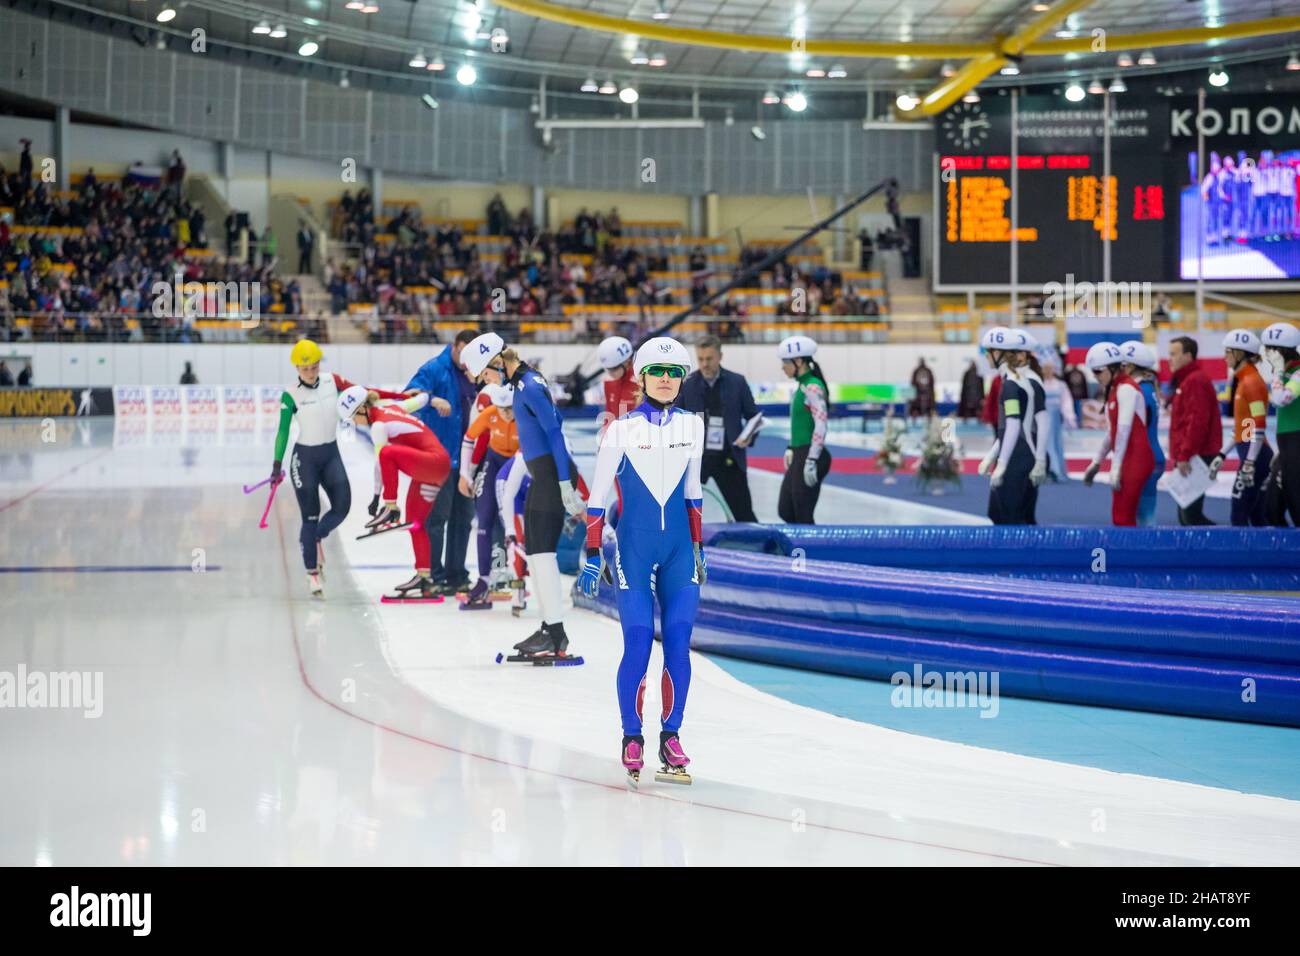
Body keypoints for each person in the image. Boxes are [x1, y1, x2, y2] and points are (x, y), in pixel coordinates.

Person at [578, 337, 704, 786]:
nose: (668, 381)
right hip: (634, 549)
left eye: (675, 374)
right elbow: (597, 498)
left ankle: (671, 736)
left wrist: (698, 546)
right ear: (643, 376)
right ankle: (633, 735)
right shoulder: (620, 430)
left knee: (678, 642)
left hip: (678, 553)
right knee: (637, 643)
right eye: (659, 372)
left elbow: (693, 492)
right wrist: (593, 553)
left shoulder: (694, 426)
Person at [462, 332, 585, 658]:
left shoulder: (530, 385)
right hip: (541, 474)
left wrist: (565, 484)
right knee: (534, 553)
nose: (486, 381)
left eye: (487, 374)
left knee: (544, 554)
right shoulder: (517, 385)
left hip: (551, 476)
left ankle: (556, 634)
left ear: (498, 362)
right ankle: (549, 627)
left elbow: (555, 433)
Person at [270, 340, 414, 596]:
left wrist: (402, 396)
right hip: (305, 460)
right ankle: (312, 574)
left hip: (330, 454)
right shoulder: (290, 394)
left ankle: (316, 538)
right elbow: (282, 431)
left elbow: (367, 393)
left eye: (314, 367)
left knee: (342, 507)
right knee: (310, 517)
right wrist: (276, 465)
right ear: (296, 368)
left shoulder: (332, 381)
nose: (311, 373)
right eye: (305, 370)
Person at [339, 388, 450, 600]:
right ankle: (424, 578)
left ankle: (391, 508)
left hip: (432, 464)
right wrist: (429, 398)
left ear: (363, 408)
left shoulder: (378, 426)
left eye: (353, 417)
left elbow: (382, 463)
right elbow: (423, 398)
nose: (353, 422)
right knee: (415, 524)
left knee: (387, 452)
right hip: (434, 469)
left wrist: (377, 497)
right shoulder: (393, 407)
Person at [405, 329, 478, 594]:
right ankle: (433, 575)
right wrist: (431, 399)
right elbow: (407, 398)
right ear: (455, 347)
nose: (467, 361)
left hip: (466, 463)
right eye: (464, 354)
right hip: (439, 460)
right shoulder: (434, 368)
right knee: (436, 519)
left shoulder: (475, 373)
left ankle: (456, 575)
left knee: (463, 518)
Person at [678, 335, 761, 523]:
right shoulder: (687, 385)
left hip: (729, 457)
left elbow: (753, 416)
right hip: (696, 458)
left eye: (709, 359)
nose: (705, 364)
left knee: (744, 513)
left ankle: (759, 548)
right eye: (700, 359)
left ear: (720, 356)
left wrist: (749, 436)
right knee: (678, 509)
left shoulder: (737, 382)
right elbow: (676, 419)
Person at [457, 383, 520, 609]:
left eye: (509, 408)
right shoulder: (490, 413)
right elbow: (468, 438)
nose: (505, 413)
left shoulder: (526, 415)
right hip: (493, 462)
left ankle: (513, 573)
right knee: (484, 519)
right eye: (501, 408)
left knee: (511, 522)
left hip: (518, 464)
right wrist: (465, 473)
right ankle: (484, 578)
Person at [979, 329, 1048, 524]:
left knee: (1012, 519)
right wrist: (993, 456)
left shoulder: (1014, 384)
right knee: (1004, 515)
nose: (985, 356)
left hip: (1018, 458)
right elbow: (1012, 428)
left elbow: (1016, 425)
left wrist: (1001, 463)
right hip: (1018, 455)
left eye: (988, 351)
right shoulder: (1012, 381)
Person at [1083, 342, 1155, 527]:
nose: (1095, 377)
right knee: (1120, 515)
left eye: (1098, 371)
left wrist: (1115, 467)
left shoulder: (1127, 389)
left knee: (1124, 516)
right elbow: (1112, 432)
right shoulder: (1114, 390)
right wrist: (1097, 461)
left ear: (1113, 368)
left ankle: (1133, 555)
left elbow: (1124, 429)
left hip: (1137, 459)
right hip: (1127, 459)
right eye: (1093, 372)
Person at [1208, 329, 1274, 526]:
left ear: (1239, 354)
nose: (1224, 357)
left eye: (1227, 352)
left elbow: (1259, 425)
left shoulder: (1252, 382)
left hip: (1256, 456)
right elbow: (1245, 427)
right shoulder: (1245, 381)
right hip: (1254, 454)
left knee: (1239, 512)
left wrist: (1250, 462)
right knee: (1255, 515)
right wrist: (1222, 454)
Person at [1167, 335, 1223, 525]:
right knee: (1187, 514)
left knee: (1190, 516)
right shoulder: (1186, 381)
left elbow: (1197, 422)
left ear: (1188, 356)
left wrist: (1185, 454)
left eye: (1173, 354)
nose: (1169, 359)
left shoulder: (1195, 381)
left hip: (1195, 455)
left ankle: (1212, 547)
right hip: (1192, 453)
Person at [777, 336, 832, 523]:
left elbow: (821, 424)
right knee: (786, 510)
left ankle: (806, 552)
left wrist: (812, 458)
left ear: (799, 361)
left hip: (810, 455)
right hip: (800, 453)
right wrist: (791, 448)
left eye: (785, 362)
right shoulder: (802, 386)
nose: (783, 367)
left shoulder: (813, 387)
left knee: (803, 513)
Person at [1118, 341, 1166, 526]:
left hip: (1143, 459)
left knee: (1141, 521)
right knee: (1147, 517)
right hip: (1154, 455)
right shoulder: (1148, 388)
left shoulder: (1136, 391)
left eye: (1120, 366)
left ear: (1129, 366)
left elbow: (1129, 429)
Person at [1262, 322, 1300, 526]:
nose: (1266, 354)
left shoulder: (1298, 373)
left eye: (1269, 349)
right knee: (1272, 506)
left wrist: (1277, 371)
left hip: (1296, 442)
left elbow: (1281, 399)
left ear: (1280, 351)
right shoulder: (1284, 373)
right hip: (1287, 444)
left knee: (1296, 503)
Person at [1039, 349, 1077, 483]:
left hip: (1054, 420)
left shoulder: (1060, 385)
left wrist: (1070, 418)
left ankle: (1057, 470)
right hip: (1041, 419)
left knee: (1055, 444)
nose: (1047, 370)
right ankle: (1047, 470)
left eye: (1050, 368)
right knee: (1043, 444)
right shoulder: (1038, 384)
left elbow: (1067, 402)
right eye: (1045, 368)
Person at [908, 358, 935, 425]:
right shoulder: (917, 371)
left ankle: (929, 423)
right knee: (915, 409)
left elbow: (932, 382)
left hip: (926, 393)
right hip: (918, 394)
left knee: (929, 409)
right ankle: (914, 422)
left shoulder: (928, 371)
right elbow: (913, 383)